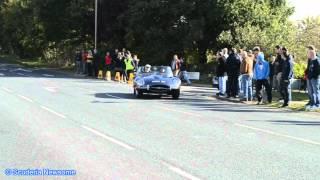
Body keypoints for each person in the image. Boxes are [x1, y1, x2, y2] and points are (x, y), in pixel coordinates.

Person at [306, 45, 320, 110]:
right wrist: (307, 74)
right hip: (309, 78)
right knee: (310, 91)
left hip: (315, 78)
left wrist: (313, 76)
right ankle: (312, 103)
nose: (308, 53)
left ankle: (317, 104)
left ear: (312, 52)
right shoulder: (310, 60)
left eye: (309, 52)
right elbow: (308, 68)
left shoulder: (317, 60)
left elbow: (318, 71)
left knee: (316, 91)